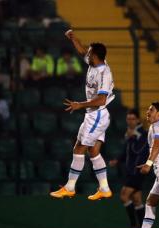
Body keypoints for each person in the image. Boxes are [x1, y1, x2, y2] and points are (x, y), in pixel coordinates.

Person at [50, 29, 115, 201]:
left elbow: (101, 99)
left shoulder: (104, 73)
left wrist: (80, 105)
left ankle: (70, 187)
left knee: (79, 148)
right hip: (96, 115)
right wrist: (73, 38)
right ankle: (105, 188)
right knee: (93, 152)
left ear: (94, 55)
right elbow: (80, 51)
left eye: (89, 52)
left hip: (97, 114)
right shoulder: (93, 63)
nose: (87, 53)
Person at [109, 109, 149, 228]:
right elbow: (127, 151)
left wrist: (132, 137)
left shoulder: (143, 134)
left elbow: (138, 151)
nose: (130, 121)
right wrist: (117, 160)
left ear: (138, 120)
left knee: (124, 196)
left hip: (138, 170)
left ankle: (134, 227)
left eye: (132, 119)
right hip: (131, 170)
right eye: (128, 119)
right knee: (137, 200)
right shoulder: (130, 133)